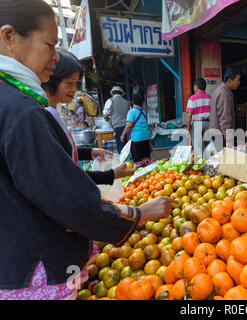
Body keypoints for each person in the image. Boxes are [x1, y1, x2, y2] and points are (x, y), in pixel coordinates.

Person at [0, 0, 177, 300]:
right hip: (35, 268)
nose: (55, 57)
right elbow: (66, 198)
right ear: (9, 37)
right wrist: (137, 214)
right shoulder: (21, 110)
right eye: (49, 45)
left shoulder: (11, 100)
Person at [42, 49, 134, 185]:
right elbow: (62, 174)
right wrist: (111, 175)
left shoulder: (52, 112)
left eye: (76, 83)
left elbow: (62, 152)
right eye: (69, 83)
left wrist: (89, 152)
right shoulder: (42, 116)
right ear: (50, 79)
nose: (74, 89)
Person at [209, 67, 241, 149]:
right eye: (237, 80)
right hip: (221, 136)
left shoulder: (218, 90)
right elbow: (225, 120)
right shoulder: (225, 94)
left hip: (217, 134)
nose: (239, 83)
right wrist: (229, 140)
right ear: (230, 80)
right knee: (224, 160)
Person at [121, 86, 152, 163]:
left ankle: (140, 173)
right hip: (146, 137)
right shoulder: (143, 111)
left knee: (138, 160)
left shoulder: (132, 111)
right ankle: (149, 173)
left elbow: (129, 125)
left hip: (137, 139)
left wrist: (123, 135)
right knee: (146, 158)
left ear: (132, 101)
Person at [186, 77, 211, 155]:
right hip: (208, 123)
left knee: (198, 147)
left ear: (196, 86)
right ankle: (208, 164)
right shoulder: (210, 97)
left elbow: (189, 115)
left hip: (197, 124)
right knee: (208, 145)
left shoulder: (192, 98)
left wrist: (188, 128)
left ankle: (199, 164)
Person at [103, 85, 131, 154]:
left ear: (112, 93)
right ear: (121, 93)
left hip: (117, 126)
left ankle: (123, 162)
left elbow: (105, 115)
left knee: (120, 146)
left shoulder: (110, 101)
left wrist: (108, 118)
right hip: (128, 127)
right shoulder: (127, 102)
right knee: (128, 146)